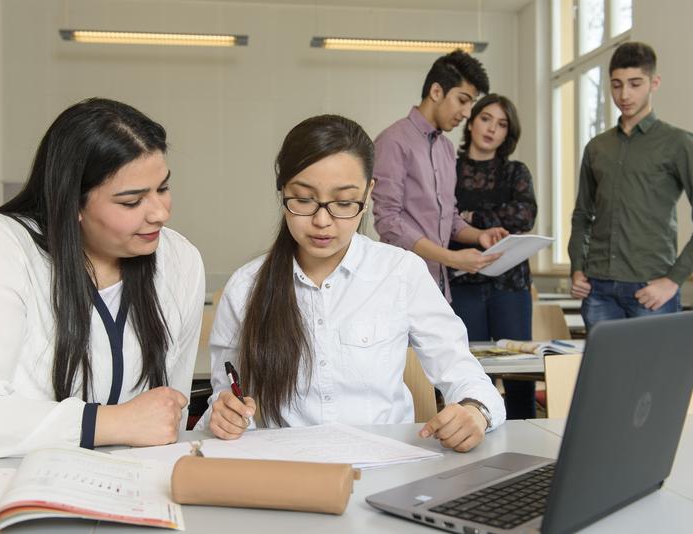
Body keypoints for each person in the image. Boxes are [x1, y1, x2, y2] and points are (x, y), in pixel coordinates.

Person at [200, 115, 505, 453]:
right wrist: (225, 413)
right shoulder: (246, 287)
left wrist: (475, 411)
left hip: (387, 468)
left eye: (344, 203)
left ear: (369, 192)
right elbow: (225, 394)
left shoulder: (400, 272)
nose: (322, 220)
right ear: (282, 189)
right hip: (285, 471)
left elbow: (463, 371)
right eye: (303, 200)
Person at [0, 98, 205, 459]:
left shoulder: (179, 259)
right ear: (71, 202)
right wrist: (108, 423)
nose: (160, 213)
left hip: (136, 487)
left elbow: (167, 414)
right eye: (132, 201)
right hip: (11, 488)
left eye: (163, 188)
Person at [568, 42, 693, 330]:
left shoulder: (679, 143)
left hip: (651, 291)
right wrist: (577, 267)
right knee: (605, 375)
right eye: (616, 85)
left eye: (635, 84)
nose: (624, 95)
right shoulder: (596, 147)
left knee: (654, 376)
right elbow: (582, 216)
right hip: (598, 290)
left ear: (654, 83)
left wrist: (672, 280)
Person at [372, 49, 508, 303]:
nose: (467, 112)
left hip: (439, 287)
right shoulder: (393, 141)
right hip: (401, 286)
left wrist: (480, 235)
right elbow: (388, 222)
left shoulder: (446, 149)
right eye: (463, 100)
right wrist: (452, 257)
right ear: (436, 92)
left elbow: (450, 218)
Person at [448, 94, 538, 419]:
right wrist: (490, 218)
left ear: (508, 134)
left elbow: (524, 216)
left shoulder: (515, 171)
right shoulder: (449, 168)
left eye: (502, 124)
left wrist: (473, 216)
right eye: (486, 118)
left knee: (519, 375)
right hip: (462, 282)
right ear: (471, 122)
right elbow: (442, 218)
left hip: (510, 286)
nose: (492, 129)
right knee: (466, 373)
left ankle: (526, 444)